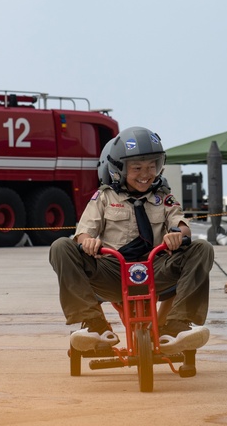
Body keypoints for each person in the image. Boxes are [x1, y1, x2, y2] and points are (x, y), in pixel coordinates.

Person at [48, 126, 214, 354]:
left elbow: (181, 224)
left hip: (155, 267)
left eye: (151, 166)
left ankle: (178, 326)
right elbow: (84, 232)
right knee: (61, 247)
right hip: (113, 270)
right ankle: (94, 325)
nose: (145, 173)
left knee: (202, 248)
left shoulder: (164, 197)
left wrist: (177, 235)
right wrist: (88, 242)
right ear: (119, 169)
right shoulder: (104, 197)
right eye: (137, 168)